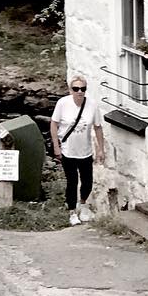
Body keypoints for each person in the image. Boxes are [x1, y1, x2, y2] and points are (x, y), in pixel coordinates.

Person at [49, 74, 105, 225]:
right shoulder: (63, 104)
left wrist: (100, 149)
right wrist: (56, 146)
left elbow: (98, 127)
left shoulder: (92, 105)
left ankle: (83, 204)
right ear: (70, 90)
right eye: (76, 89)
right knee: (72, 182)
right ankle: (72, 211)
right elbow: (54, 124)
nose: (79, 92)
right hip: (68, 150)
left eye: (83, 89)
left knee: (87, 182)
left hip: (85, 150)